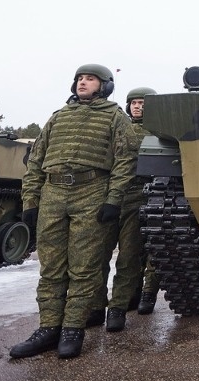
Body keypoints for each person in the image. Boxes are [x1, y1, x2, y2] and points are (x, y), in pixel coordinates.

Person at [9, 64, 136, 359]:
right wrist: (31, 202)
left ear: (104, 85)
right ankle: (49, 327)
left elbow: (125, 161)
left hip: (91, 191)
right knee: (51, 267)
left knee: (84, 267)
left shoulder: (116, 117)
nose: (83, 83)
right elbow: (36, 160)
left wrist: (113, 199)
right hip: (53, 193)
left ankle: (73, 329)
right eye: (79, 78)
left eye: (90, 79)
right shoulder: (58, 117)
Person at [93, 86, 156, 332]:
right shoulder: (118, 128)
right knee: (98, 256)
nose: (137, 106)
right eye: (134, 103)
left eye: (142, 103)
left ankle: (118, 308)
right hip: (109, 196)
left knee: (130, 256)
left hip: (141, 194)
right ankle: (96, 306)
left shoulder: (158, 132)